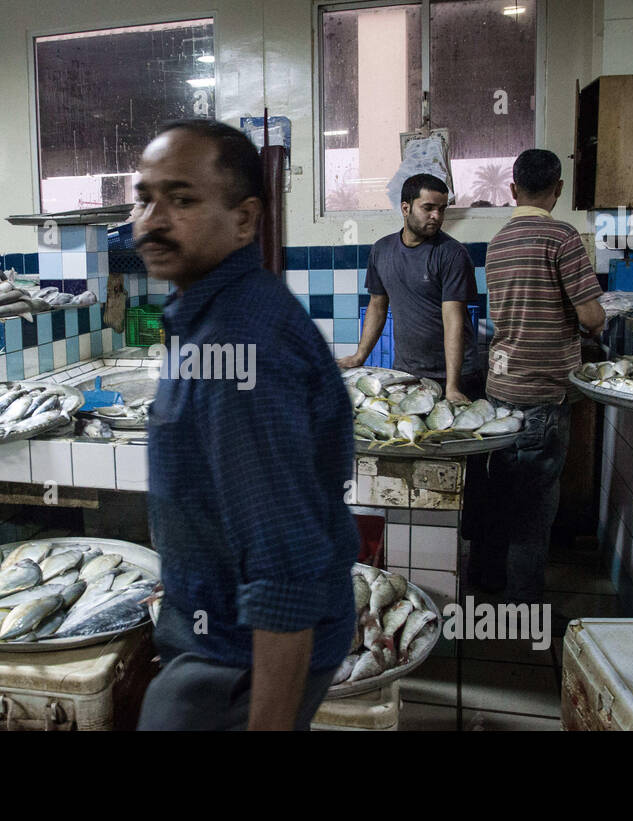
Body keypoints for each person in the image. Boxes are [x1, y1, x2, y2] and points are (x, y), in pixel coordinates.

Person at [133, 119, 358, 731]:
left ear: (244, 219)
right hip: (212, 634)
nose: (151, 221)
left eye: (181, 200)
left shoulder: (238, 349)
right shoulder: (211, 315)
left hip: (234, 659)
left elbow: (283, 565)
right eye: (144, 198)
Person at [473, 149, 605, 613]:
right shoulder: (562, 237)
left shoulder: (498, 241)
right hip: (544, 392)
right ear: (559, 188)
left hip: (499, 390)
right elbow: (592, 316)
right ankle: (523, 604)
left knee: (498, 490)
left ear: (512, 189)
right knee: (533, 505)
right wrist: (592, 318)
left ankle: (486, 579)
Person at [338, 173, 480, 403]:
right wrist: (359, 355)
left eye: (442, 209)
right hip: (407, 373)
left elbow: (453, 318)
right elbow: (377, 306)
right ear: (406, 208)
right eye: (428, 208)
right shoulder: (381, 250)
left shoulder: (452, 253)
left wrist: (453, 387)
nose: (437, 216)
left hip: (456, 376)